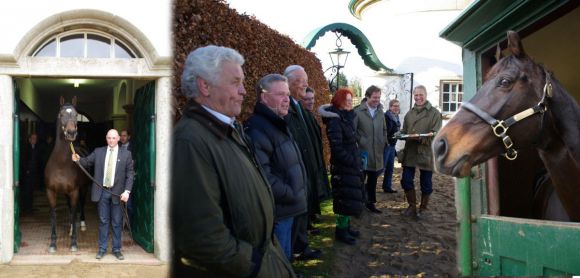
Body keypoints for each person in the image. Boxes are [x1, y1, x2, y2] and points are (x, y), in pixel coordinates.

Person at [171, 45, 295, 277]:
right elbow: (202, 239)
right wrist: (255, 265)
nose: (244, 91)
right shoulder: (190, 141)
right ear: (204, 85)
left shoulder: (228, 128)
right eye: (235, 82)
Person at [245, 73, 308, 261]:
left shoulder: (279, 124)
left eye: (287, 95)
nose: (286, 100)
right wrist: (291, 193)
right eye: (281, 94)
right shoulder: (258, 129)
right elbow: (263, 176)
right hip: (278, 212)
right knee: (278, 263)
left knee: (286, 260)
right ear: (264, 97)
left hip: (288, 209)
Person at [72, 129, 134, 260]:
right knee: (103, 221)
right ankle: (102, 249)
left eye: (113, 138)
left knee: (117, 222)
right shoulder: (99, 152)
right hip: (102, 192)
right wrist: (78, 158)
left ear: (118, 139)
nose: (111, 140)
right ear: (106, 138)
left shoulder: (126, 154)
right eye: (109, 138)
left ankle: (117, 249)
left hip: (117, 194)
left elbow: (130, 174)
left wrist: (127, 191)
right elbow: (87, 161)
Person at [283, 65, 324, 261]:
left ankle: (301, 246)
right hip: (294, 171)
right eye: (302, 81)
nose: (306, 84)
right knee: (295, 216)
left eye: (306, 80)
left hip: (303, 168)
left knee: (302, 213)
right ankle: (294, 252)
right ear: (289, 81)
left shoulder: (297, 105)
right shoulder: (286, 107)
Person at [318, 88, 364, 245]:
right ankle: (341, 231)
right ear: (339, 101)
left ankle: (347, 227)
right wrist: (352, 160)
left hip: (350, 165)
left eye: (351, 100)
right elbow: (337, 148)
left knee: (349, 198)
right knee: (343, 200)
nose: (350, 103)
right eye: (347, 100)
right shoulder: (335, 121)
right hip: (343, 167)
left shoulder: (346, 117)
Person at [399, 85, 442, 218]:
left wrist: (422, 137)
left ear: (426, 95)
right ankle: (412, 206)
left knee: (426, 183)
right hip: (410, 152)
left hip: (426, 152)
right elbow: (404, 130)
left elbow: (436, 133)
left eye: (420, 95)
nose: (418, 97)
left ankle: (423, 209)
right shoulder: (409, 113)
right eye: (416, 95)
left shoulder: (434, 113)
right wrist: (399, 134)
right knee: (406, 180)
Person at [353, 85, 387, 214]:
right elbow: (353, 130)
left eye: (378, 97)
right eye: (374, 97)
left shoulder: (380, 111)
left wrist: (383, 141)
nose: (377, 100)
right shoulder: (357, 111)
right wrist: (361, 141)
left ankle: (370, 203)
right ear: (367, 97)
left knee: (373, 179)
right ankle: (359, 203)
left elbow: (384, 129)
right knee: (360, 179)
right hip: (363, 151)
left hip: (377, 151)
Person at [382, 99, 401, 193]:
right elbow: (385, 132)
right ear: (390, 107)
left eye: (398, 106)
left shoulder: (396, 117)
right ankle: (367, 187)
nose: (396, 108)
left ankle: (387, 186)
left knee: (390, 168)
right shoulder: (386, 117)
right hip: (387, 145)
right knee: (381, 168)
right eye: (394, 106)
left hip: (392, 145)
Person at [20, 133, 41, 213]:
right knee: (26, 191)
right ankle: (25, 208)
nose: (34, 140)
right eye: (33, 138)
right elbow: (23, 160)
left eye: (36, 138)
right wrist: (26, 170)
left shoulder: (37, 148)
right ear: (29, 139)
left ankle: (30, 207)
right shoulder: (25, 148)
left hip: (34, 173)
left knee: (32, 190)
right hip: (27, 173)